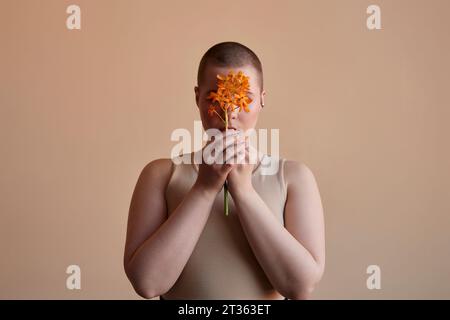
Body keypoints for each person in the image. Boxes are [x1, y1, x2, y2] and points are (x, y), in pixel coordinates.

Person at [123, 42, 325, 300]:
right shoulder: (160, 175)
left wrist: (244, 191)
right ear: (197, 97)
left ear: (262, 99)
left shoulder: (294, 177)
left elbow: (300, 287)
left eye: (244, 99)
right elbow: (148, 284)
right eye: (214, 98)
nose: (229, 111)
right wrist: (204, 189)